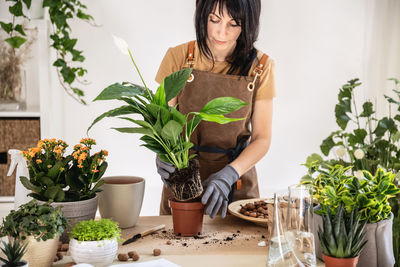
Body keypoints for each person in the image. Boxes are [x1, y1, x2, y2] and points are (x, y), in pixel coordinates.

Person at [155, 0, 275, 219]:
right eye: (214, 20)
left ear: (248, 24)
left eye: (234, 23)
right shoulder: (178, 57)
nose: (222, 32)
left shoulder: (261, 66)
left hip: (237, 183)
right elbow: (162, 122)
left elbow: (262, 138)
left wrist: (228, 175)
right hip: (183, 179)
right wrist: (162, 153)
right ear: (202, 16)